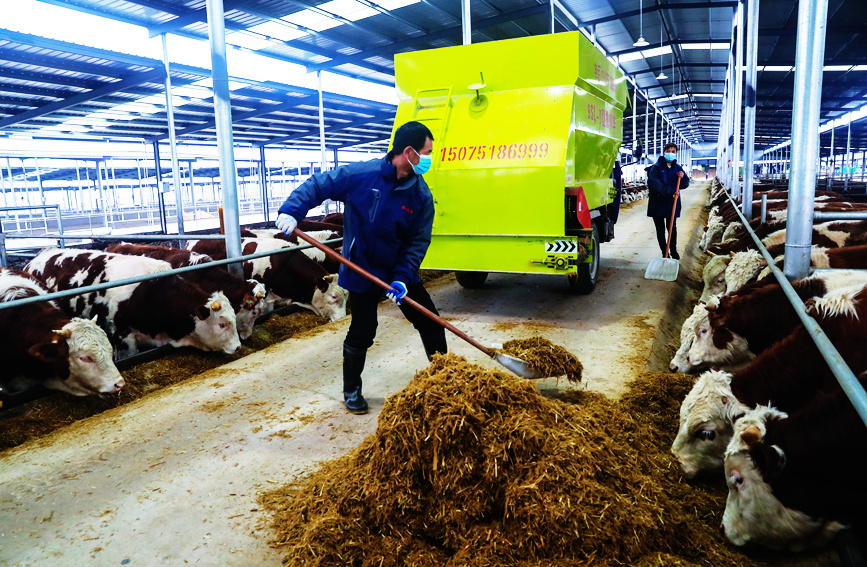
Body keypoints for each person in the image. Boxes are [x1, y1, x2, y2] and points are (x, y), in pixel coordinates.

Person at [274, 121, 447, 415]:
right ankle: (352, 390)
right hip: (361, 268)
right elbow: (320, 184)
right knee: (363, 330)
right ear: (409, 152)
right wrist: (293, 210)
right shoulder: (362, 175)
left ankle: (446, 381)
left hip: (398, 273)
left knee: (430, 322)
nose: (431, 158)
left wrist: (403, 278)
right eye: (427, 152)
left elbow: (417, 241)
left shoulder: (421, 196)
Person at [646, 142, 689, 260]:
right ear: (664, 152)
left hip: (672, 203)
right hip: (658, 203)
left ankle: (673, 250)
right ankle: (664, 252)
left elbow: (685, 184)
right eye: (668, 151)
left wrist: (683, 176)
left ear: (676, 153)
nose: (670, 153)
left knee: (671, 228)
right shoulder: (656, 168)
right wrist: (670, 192)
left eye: (673, 151)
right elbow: (655, 184)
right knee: (660, 230)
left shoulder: (677, 168)